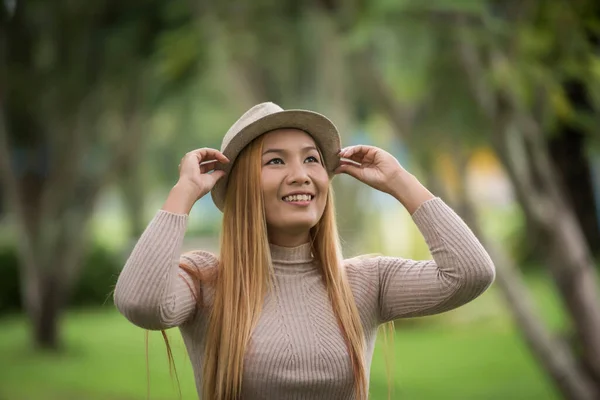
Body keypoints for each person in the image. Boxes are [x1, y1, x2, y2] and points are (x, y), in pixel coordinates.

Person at [114, 102, 495, 400]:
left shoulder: (366, 282)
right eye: (276, 160)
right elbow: (140, 302)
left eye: (311, 159)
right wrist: (182, 195)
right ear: (244, 186)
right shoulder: (204, 282)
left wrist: (399, 180)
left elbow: (471, 273)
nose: (302, 174)